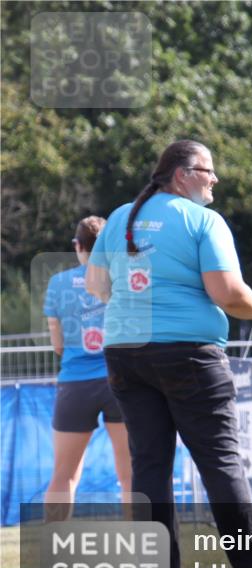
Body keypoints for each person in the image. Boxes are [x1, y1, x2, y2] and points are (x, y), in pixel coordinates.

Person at [86, 140, 252, 568]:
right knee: (219, 460)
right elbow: (227, 294)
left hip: (125, 352)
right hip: (188, 354)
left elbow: (96, 285)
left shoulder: (122, 216)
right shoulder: (203, 220)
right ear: (182, 174)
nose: (215, 179)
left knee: (149, 462)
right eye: (208, 170)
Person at [43, 216, 131, 521]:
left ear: (77, 246)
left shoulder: (57, 284)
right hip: (119, 380)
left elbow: (58, 346)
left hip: (75, 384)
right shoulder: (120, 281)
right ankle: (144, 549)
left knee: (64, 475)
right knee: (130, 476)